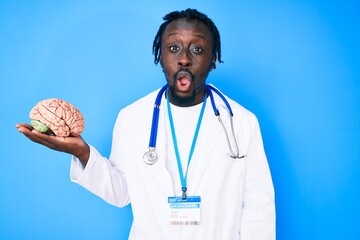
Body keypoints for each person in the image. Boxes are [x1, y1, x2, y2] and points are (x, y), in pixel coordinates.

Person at [17, 8, 275, 240]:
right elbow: (121, 194)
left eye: (197, 49)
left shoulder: (241, 122)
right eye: (174, 48)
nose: (184, 59)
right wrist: (81, 152)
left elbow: (258, 206)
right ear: (160, 56)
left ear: (212, 58)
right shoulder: (132, 118)